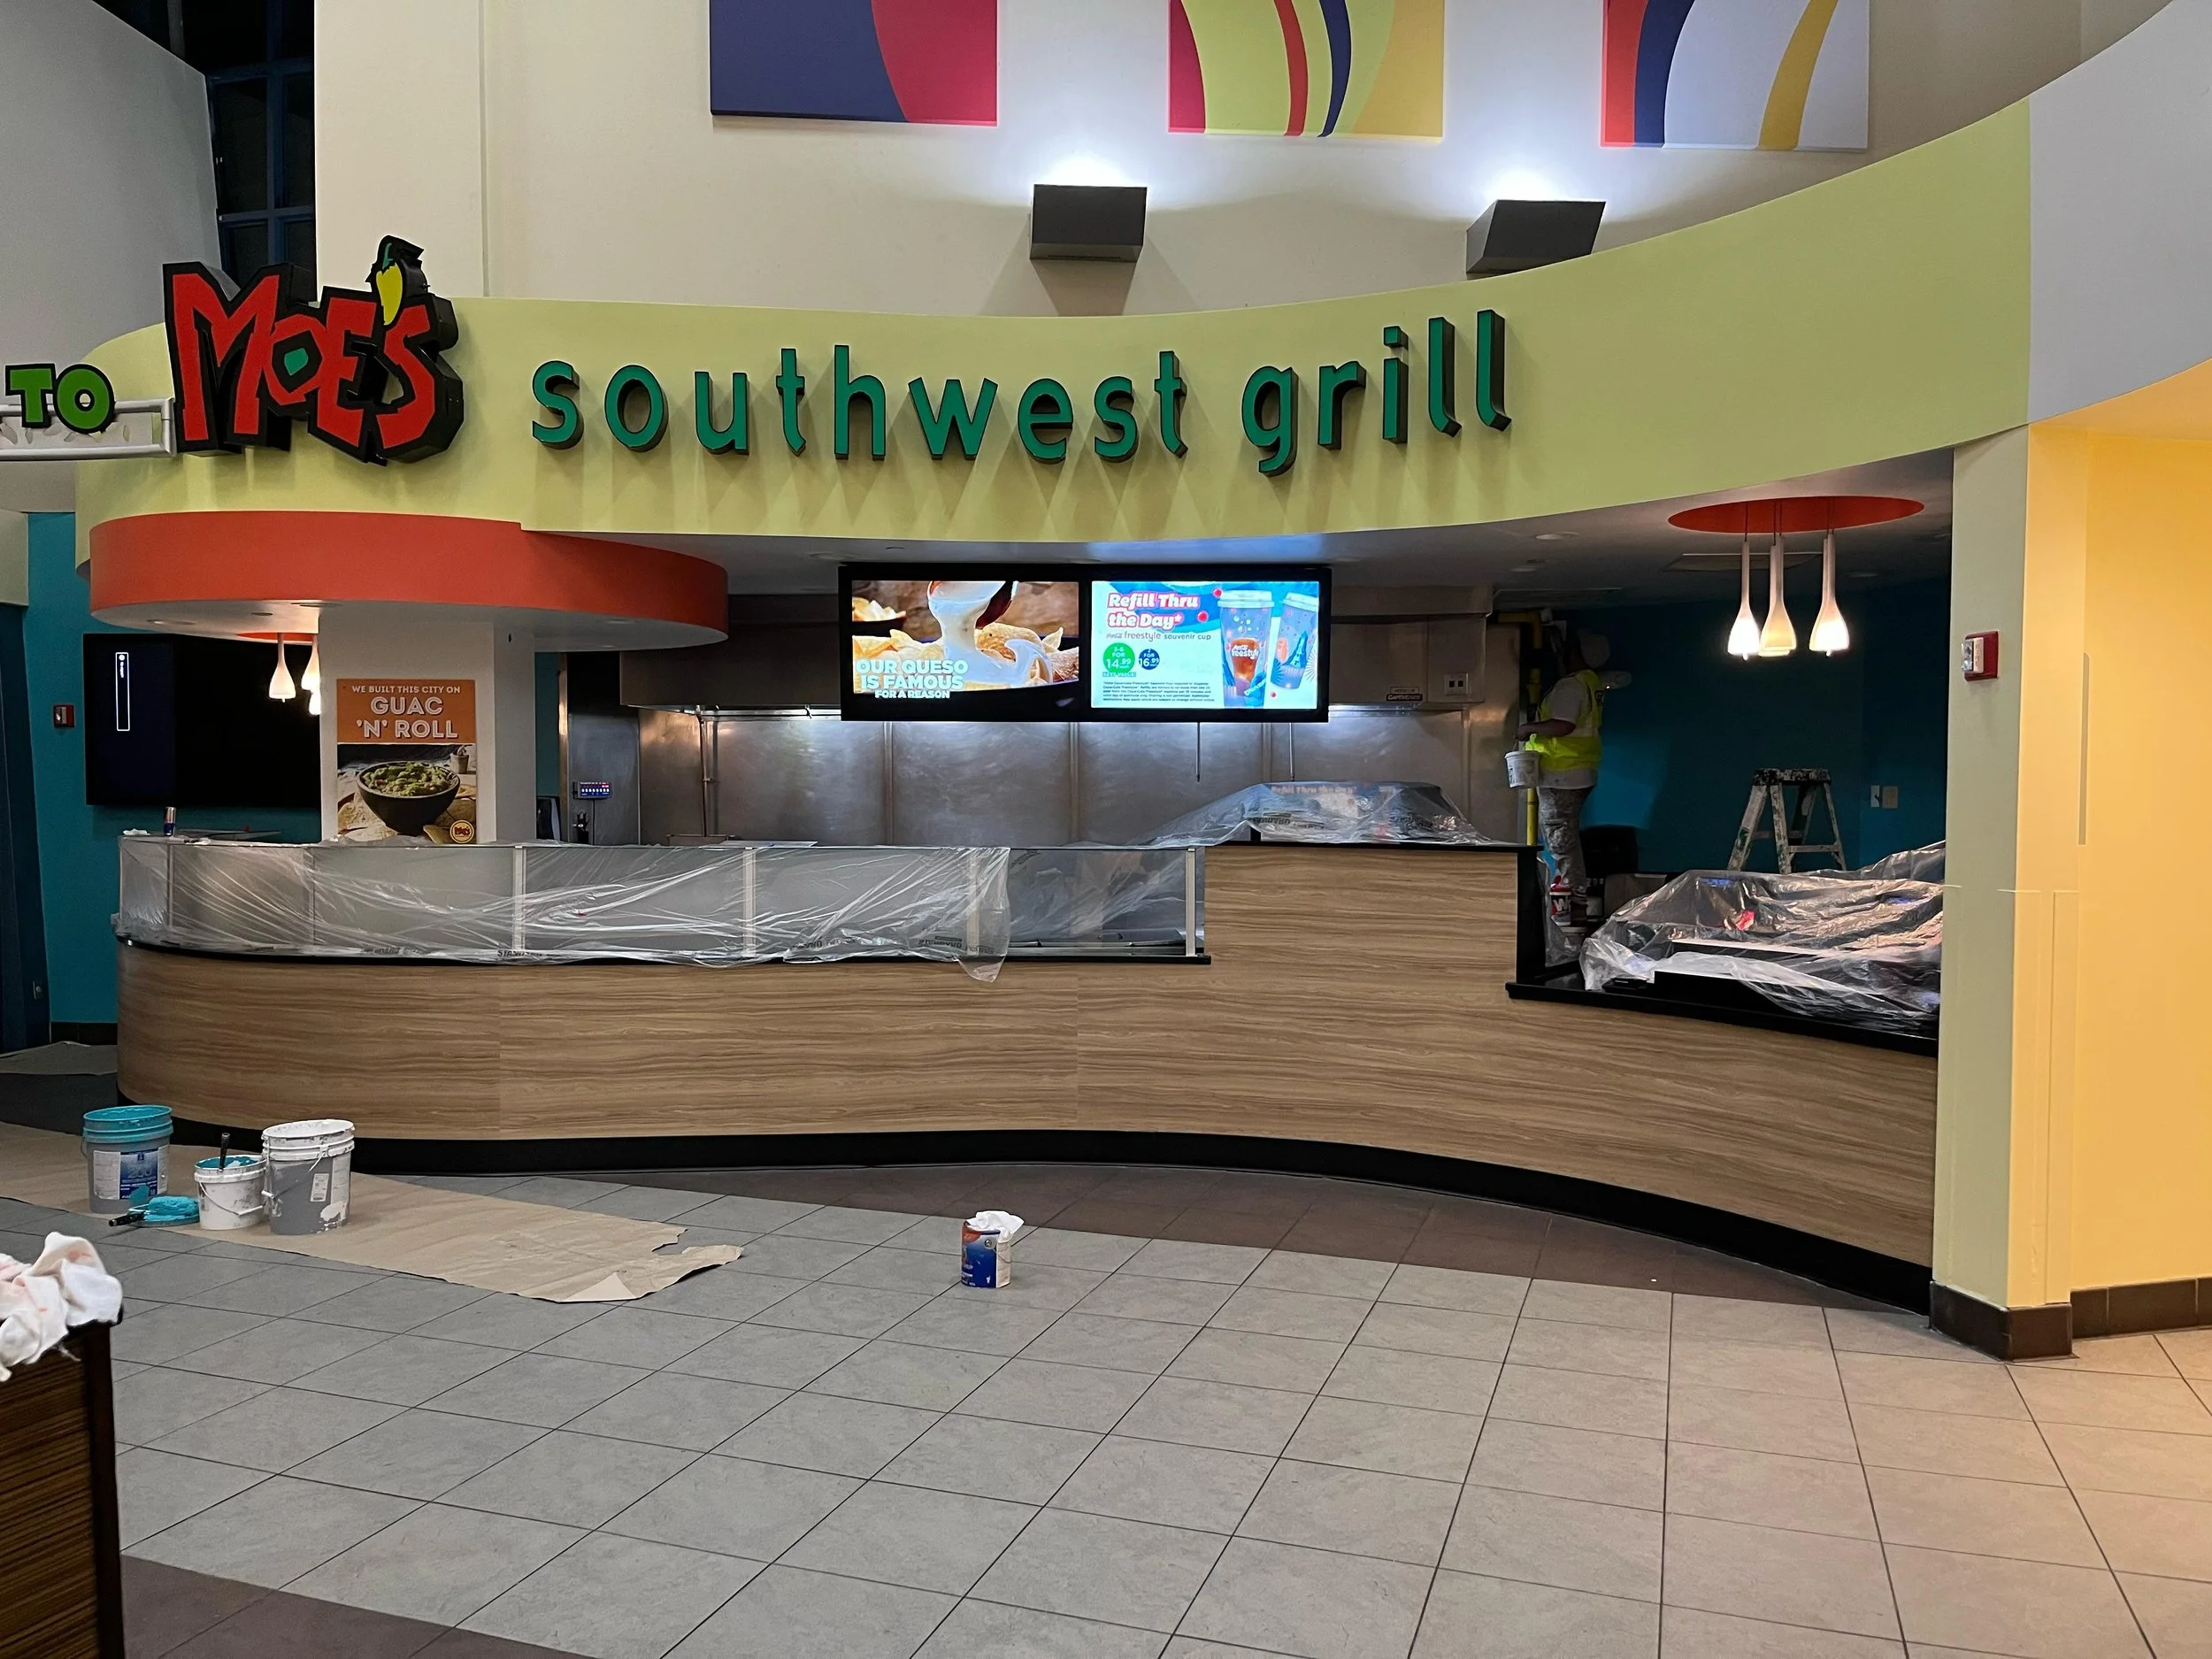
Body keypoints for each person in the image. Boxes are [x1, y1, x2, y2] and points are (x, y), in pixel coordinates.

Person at [1517, 632, 1630, 924]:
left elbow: (1563, 726)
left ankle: (1571, 908)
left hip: (1561, 776)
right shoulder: (1591, 683)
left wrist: (1529, 728)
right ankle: (1571, 902)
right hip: (1578, 772)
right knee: (1563, 838)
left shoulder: (1570, 686)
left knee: (1561, 841)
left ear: (1577, 654)